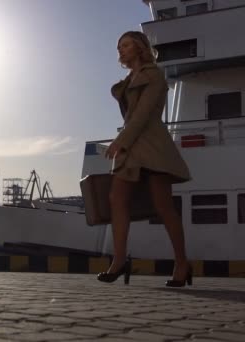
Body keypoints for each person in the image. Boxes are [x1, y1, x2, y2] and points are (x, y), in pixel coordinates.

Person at [98, 31, 192, 287]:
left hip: (152, 147)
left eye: (125, 45)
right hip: (132, 148)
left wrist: (120, 142)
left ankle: (182, 263)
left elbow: (142, 116)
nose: (121, 50)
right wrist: (124, 141)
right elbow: (132, 118)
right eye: (119, 47)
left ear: (139, 47)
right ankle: (118, 261)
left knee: (163, 207)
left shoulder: (154, 75)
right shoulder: (129, 80)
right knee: (117, 199)